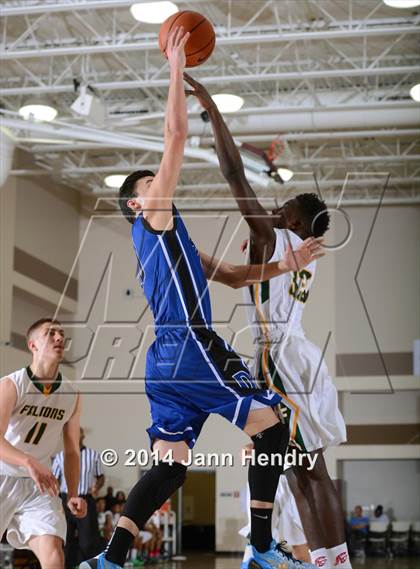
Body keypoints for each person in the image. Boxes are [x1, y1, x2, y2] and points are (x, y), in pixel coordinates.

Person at [81, 26, 323, 569]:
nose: (159, 184)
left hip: (163, 362)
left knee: (169, 467)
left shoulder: (171, 239)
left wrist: (287, 263)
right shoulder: (155, 217)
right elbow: (173, 138)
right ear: (138, 205)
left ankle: (110, 559)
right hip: (191, 347)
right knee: (276, 422)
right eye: (149, 184)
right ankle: (261, 548)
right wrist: (173, 65)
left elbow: (237, 277)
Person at [184, 73, 350, 569]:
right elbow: (236, 278)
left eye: (285, 207)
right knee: (298, 469)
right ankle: (323, 560)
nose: (275, 207)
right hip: (293, 353)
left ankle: (333, 561)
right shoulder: (300, 252)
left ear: (295, 224)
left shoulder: (273, 237)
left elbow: (235, 176)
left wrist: (213, 112)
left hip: (279, 355)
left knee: (308, 471)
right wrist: (193, 256)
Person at [0, 318, 87, 569]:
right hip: (3, 474)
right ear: (33, 345)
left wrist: (73, 493)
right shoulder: (11, 385)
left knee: (54, 554)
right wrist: (29, 462)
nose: (59, 338)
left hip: (40, 486)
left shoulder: (72, 394)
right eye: (50, 334)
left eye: (61, 334)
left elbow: (71, 450)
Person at [53, 427, 105, 566]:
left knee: (89, 540)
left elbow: (100, 477)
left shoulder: (93, 455)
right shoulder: (60, 456)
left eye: (78, 432)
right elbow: (55, 479)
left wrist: (96, 487)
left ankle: (89, 566)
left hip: (85, 498)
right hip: (65, 499)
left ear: (82, 435)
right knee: (66, 538)